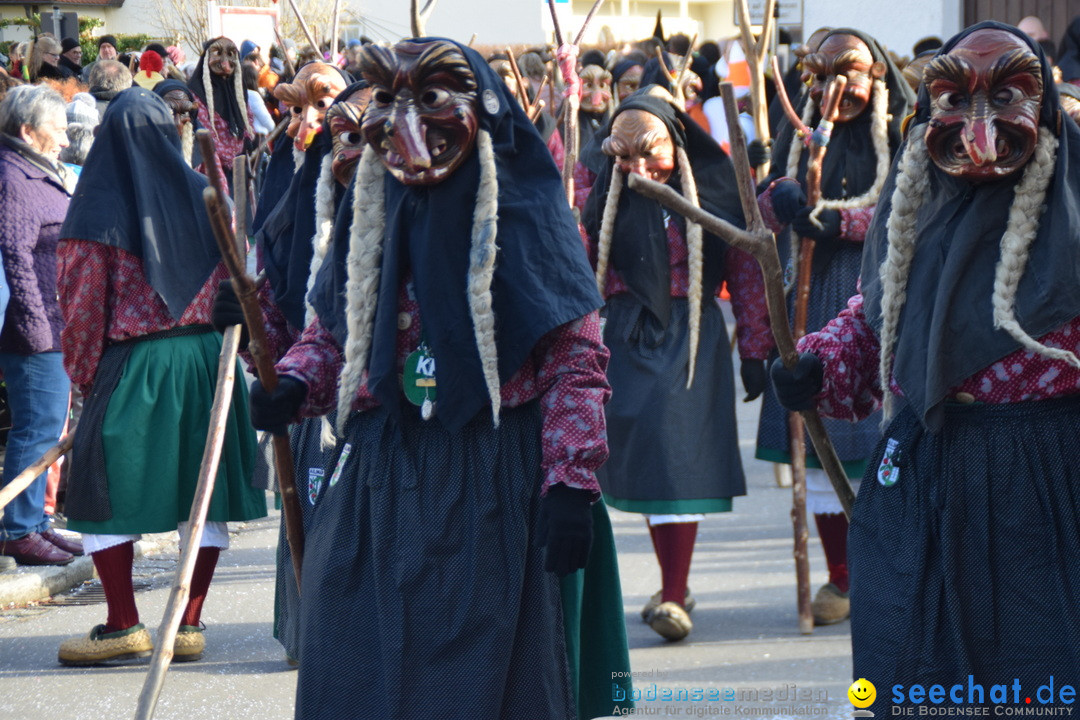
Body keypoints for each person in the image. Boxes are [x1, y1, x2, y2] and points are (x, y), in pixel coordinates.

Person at [251, 38, 609, 719]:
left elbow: (576, 356)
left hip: (490, 475)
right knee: (353, 662)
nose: (405, 122)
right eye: (388, 99)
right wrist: (295, 384)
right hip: (379, 474)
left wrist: (570, 481)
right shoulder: (371, 209)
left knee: (473, 682)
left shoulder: (529, 214)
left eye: (433, 98)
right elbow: (333, 334)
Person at [770, 23, 1080, 715]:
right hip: (924, 487)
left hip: (1047, 495)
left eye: (1005, 94)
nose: (978, 126)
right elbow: (872, 321)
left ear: (1046, 109)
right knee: (918, 680)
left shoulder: (1075, 221)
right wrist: (818, 366)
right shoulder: (915, 213)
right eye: (953, 98)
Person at [54, 87, 266, 666]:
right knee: (204, 492)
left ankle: (124, 622)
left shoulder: (94, 212)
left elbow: (80, 311)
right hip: (206, 362)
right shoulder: (207, 195)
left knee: (102, 490)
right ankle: (188, 622)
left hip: (135, 367)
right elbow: (243, 279)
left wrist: (83, 383)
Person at [579, 86, 770, 642]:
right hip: (623, 331)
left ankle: (672, 591)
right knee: (642, 462)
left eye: (650, 154)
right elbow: (579, 261)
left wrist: (756, 349)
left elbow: (747, 265)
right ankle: (674, 584)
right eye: (626, 156)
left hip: (688, 334)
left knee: (674, 458)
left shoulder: (715, 189)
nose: (639, 169)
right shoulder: (600, 191)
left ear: (676, 144)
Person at [754, 28, 915, 626]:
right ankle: (841, 577)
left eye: (846, 74)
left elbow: (910, 210)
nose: (833, 89)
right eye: (819, 76)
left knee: (876, 444)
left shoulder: (904, 134)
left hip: (873, 290)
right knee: (818, 448)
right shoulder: (798, 137)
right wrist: (785, 201)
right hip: (810, 291)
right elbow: (760, 211)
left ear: (877, 75)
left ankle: (882, 561)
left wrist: (842, 226)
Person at [0, 84, 79, 566]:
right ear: (27, 131)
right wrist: (34, 322)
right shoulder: (14, 176)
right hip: (34, 327)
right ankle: (20, 529)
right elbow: (16, 255)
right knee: (37, 427)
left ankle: (37, 523)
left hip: (52, 320)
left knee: (49, 427)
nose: (67, 140)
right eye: (59, 130)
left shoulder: (33, 170)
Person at [188, 37, 253, 189]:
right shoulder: (195, 93)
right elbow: (202, 129)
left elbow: (248, 119)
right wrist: (220, 154)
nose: (225, 62)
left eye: (230, 54)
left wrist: (247, 140)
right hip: (209, 167)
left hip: (239, 166)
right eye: (217, 53)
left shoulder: (239, 90)